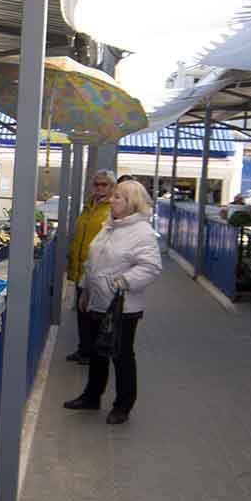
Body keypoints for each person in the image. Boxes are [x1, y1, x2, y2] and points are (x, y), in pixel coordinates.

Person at [63, 180, 163, 424]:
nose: (112, 200)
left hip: (122, 307)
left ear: (131, 203)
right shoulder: (109, 227)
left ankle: (123, 405)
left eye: (118, 197)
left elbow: (151, 267)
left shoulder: (143, 233)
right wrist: (85, 289)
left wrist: (121, 282)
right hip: (98, 300)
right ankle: (91, 396)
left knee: (122, 355)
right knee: (97, 353)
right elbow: (92, 260)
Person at [66, 169, 116, 365]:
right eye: (97, 184)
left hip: (98, 271)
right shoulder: (89, 206)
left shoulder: (112, 209)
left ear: (112, 187)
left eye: (104, 185)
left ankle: (95, 353)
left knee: (94, 315)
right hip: (81, 268)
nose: (100, 188)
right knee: (82, 312)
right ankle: (83, 349)